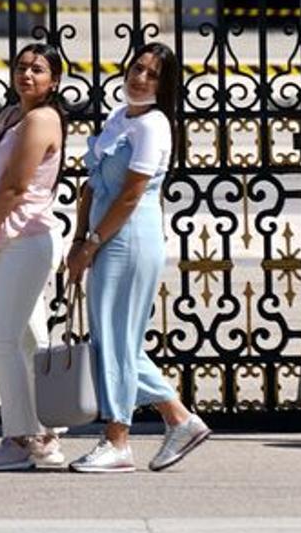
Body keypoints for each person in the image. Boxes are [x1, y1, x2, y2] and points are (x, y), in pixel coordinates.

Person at [65, 42, 211, 473]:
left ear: (165, 86)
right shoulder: (119, 117)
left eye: (152, 74)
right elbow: (91, 186)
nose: (140, 78)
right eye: (136, 68)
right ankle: (178, 418)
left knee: (115, 339)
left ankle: (118, 438)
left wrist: (91, 243)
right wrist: (79, 238)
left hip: (128, 237)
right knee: (112, 340)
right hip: (102, 234)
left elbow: (130, 195)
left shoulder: (154, 125)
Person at [0, 42, 68, 471]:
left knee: (3, 337)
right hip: (4, 238)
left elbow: (14, 188)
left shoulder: (43, 119)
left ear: (54, 81)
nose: (27, 75)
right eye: (22, 67)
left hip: (27, 239)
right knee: (28, 339)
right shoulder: (10, 116)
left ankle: (18, 436)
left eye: (38, 69)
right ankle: (44, 437)